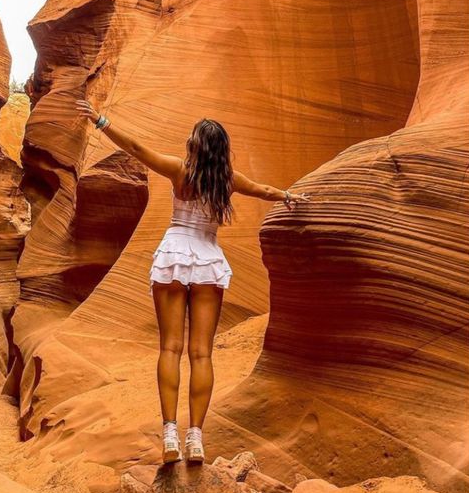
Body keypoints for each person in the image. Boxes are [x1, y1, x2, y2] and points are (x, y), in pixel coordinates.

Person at [75, 100, 310, 464]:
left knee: (170, 349)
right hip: (207, 262)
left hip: (174, 255)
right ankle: (195, 438)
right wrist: (288, 196)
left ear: (195, 145)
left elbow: (137, 149)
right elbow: (264, 190)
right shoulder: (228, 181)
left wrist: (102, 121)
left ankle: (170, 433)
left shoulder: (179, 171)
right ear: (222, 150)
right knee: (201, 353)